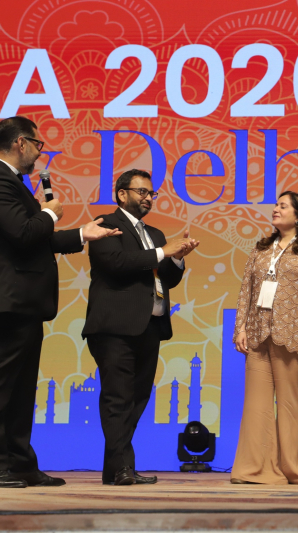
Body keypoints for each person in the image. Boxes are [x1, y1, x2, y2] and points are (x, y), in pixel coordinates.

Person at [0, 116, 119, 488]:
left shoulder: (11, 183)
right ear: (20, 142)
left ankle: (19, 463)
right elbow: (23, 233)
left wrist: (82, 233)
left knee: (20, 388)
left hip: (24, 301)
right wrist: (50, 212)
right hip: (6, 299)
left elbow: (38, 238)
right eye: (38, 144)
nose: (39, 153)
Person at [82, 169, 198, 486]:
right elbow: (116, 264)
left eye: (151, 193)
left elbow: (167, 277)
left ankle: (117, 468)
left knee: (136, 399)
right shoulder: (105, 225)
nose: (148, 198)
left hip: (150, 326)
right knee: (117, 398)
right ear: (122, 194)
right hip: (115, 327)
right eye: (141, 192)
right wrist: (163, 252)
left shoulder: (155, 234)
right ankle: (122, 467)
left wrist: (177, 258)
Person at [231, 191, 298, 485]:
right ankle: (252, 470)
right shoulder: (261, 249)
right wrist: (241, 327)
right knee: (256, 406)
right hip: (258, 333)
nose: (275, 209)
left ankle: (293, 470)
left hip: (295, 336)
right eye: (276, 205)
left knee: (289, 405)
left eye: (283, 206)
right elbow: (246, 290)